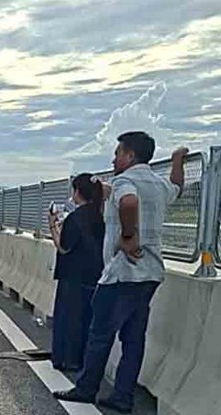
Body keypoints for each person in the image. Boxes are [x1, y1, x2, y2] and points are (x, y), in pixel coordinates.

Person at [55, 133, 188, 414]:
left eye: (117, 153)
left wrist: (128, 235)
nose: (113, 158)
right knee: (133, 339)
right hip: (150, 274)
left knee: (99, 334)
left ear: (129, 156)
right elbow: (176, 185)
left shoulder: (124, 182)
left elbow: (128, 202)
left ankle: (86, 388)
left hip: (121, 274)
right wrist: (177, 159)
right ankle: (122, 397)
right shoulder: (157, 183)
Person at [48, 174, 106, 372]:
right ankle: (79, 359)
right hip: (95, 274)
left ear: (77, 192)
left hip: (72, 275)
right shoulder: (100, 216)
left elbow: (63, 247)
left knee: (67, 317)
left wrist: (52, 225)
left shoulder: (75, 218)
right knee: (85, 319)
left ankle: (64, 359)